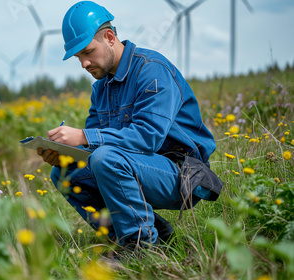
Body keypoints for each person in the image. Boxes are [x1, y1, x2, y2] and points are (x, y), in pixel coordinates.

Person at [37, 1, 222, 250]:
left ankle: (139, 247)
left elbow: (147, 138)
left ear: (110, 37)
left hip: (182, 173)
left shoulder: (151, 70)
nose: (83, 64)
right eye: (78, 57)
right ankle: (154, 235)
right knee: (64, 173)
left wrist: (82, 136)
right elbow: (93, 145)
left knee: (106, 158)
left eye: (88, 52)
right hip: (135, 168)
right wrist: (67, 155)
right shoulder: (100, 88)